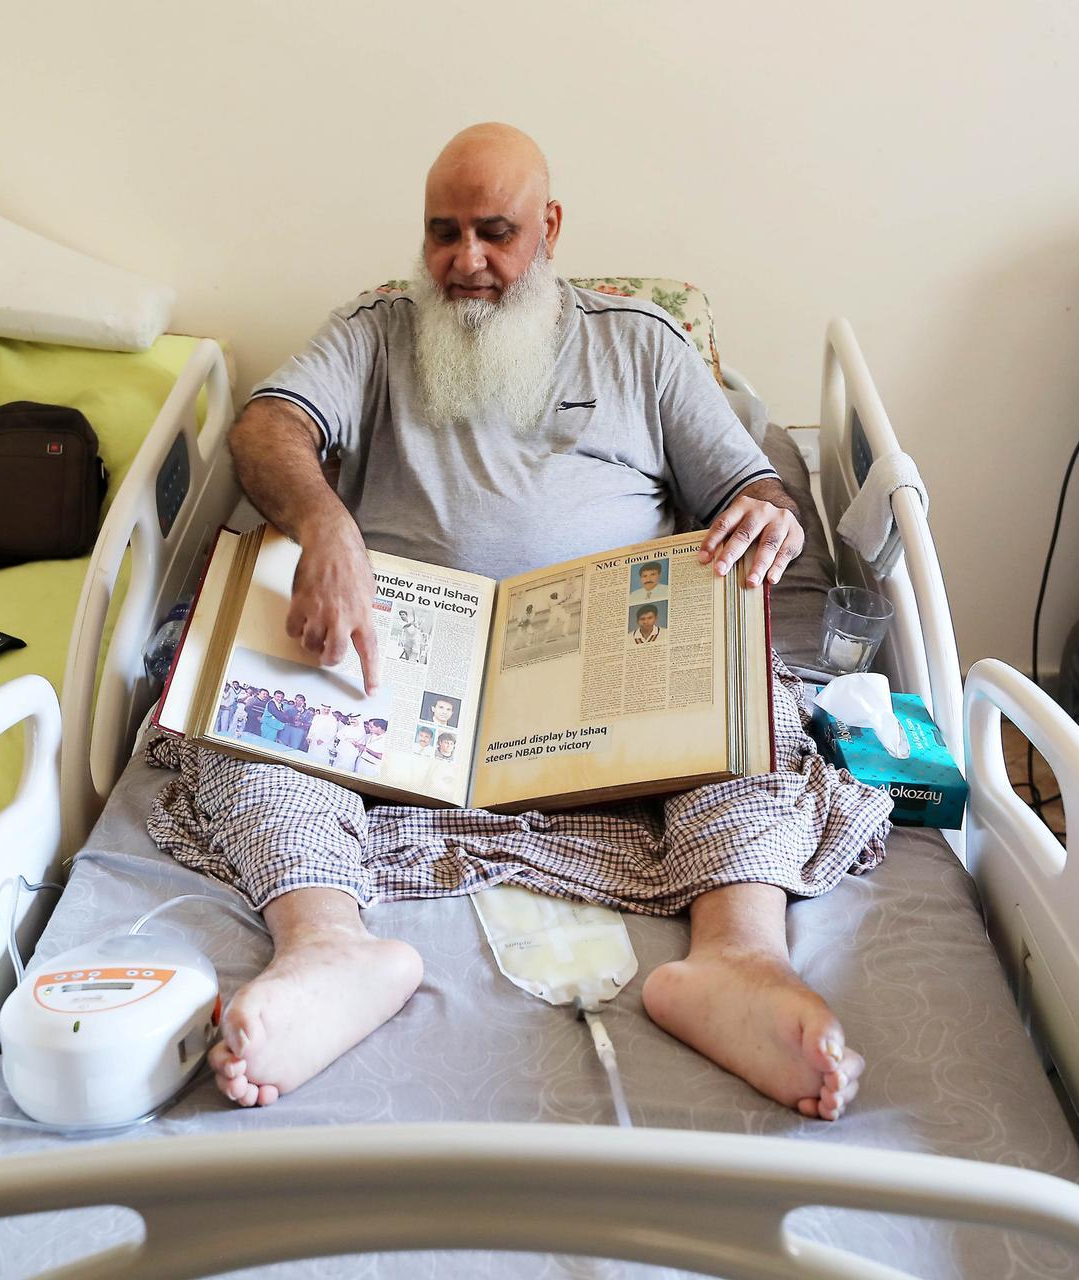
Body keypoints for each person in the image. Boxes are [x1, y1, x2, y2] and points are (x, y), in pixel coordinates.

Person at [181, 123, 864, 1123]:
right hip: (401, 660)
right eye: (442, 232)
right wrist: (326, 525)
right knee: (246, 726)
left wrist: (767, 509)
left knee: (754, 723)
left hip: (602, 661)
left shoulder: (639, 343)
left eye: (494, 232)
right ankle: (328, 946)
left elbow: (753, 481)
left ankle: (736, 961)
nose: (465, 261)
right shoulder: (374, 332)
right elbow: (264, 427)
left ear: (548, 227)